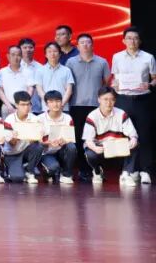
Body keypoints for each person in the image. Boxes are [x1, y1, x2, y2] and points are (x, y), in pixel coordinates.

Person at [110, 27, 154, 184]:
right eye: (129, 38)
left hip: (142, 100)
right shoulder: (117, 57)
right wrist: (115, 85)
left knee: (144, 135)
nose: (132, 41)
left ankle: (145, 170)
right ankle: (129, 170)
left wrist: (149, 84)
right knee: (126, 135)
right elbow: (115, 78)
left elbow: (154, 78)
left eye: (135, 38)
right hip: (123, 99)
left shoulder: (148, 57)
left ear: (139, 41)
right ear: (123, 40)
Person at [65, 33, 111, 181]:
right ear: (77, 46)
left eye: (88, 42)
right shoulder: (70, 62)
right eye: (82, 42)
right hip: (76, 105)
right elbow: (67, 84)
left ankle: (97, 168)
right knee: (79, 138)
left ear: (92, 45)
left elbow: (107, 84)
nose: (85, 45)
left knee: (98, 138)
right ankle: (83, 170)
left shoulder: (102, 62)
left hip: (97, 107)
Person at [82, 86, 140, 186]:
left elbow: (133, 134)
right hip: (101, 149)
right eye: (105, 99)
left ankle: (126, 174)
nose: (109, 103)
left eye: (112, 99)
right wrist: (95, 148)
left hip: (118, 148)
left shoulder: (121, 113)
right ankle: (97, 172)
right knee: (90, 153)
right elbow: (88, 140)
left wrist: (133, 140)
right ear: (99, 100)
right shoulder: (92, 116)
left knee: (135, 143)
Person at [2, 91, 43, 184]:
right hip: (12, 153)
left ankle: (29, 171)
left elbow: (38, 140)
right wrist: (15, 138)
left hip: (26, 151)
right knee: (17, 178)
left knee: (38, 146)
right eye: (23, 105)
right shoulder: (9, 120)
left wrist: (38, 137)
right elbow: (11, 144)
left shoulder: (35, 119)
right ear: (16, 105)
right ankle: (12, 168)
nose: (26, 107)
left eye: (28, 104)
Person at [39, 90, 77, 184]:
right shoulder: (40, 119)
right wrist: (47, 143)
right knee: (53, 168)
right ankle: (51, 172)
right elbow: (37, 142)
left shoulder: (68, 118)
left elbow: (71, 139)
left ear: (61, 102)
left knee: (71, 147)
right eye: (51, 102)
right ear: (46, 104)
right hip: (47, 152)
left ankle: (67, 175)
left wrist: (64, 141)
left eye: (58, 101)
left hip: (61, 150)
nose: (55, 104)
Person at [35, 42, 75, 113]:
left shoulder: (66, 70)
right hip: (46, 109)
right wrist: (49, 103)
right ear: (46, 55)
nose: (52, 54)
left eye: (55, 51)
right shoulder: (40, 70)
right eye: (49, 52)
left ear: (59, 54)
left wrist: (61, 104)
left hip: (63, 108)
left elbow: (69, 90)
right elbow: (39, 90)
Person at [0, 45, 35, 118]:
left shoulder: (28, 72)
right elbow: (0, 91)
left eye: (18, 55)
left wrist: (23, 104)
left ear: (21, 56)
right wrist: (9, 106)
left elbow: (30, 89)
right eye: (13, 55)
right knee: (7, 125)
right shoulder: (2, 72)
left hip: (25, 106)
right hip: (7, 106)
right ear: (8, 56)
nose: (16, 57)